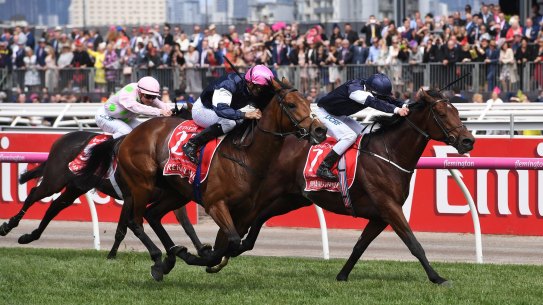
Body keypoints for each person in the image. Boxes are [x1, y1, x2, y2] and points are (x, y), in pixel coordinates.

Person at [315, 73, 409, 181]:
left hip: (340, 115)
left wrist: (404, 105)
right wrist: (397, 110)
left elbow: (387, 99)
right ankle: (323, 167)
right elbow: (375, 102)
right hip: (324, 113)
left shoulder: (371, 87)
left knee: (368, 134)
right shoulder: (355, 91)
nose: (381, 98)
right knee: (349, 136)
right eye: (378, 96)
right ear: (370, 91)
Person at [182, 65, 273, 164]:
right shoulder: (228, 84)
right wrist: (245, 114)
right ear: (251, 84)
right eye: (260, 88)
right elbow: (221, 110)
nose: (262, 91)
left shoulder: (252, 84)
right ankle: (192, 143)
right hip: (204, 110)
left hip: (228, 108)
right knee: (230, 123)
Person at [95, 76, 172, 138]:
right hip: (105, 116)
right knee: (126, 131)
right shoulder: (128, 93)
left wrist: (170, 111)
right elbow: (137, 108)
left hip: (124, 119)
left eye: (154, 97)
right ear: (139, 92)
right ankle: (103, 145)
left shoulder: (144, 93)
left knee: (144, 130)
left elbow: (160, 104)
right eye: (148, 96)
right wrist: (159, 112)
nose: (151, 100)